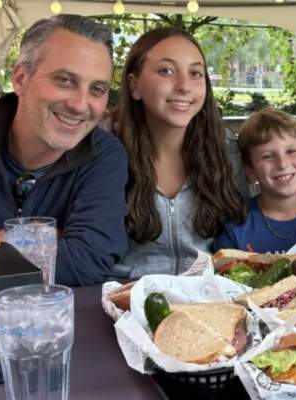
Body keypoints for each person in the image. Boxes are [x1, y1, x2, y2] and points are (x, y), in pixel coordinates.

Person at [0, 14, 128, 286]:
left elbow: (91, 259)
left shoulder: (105, 154)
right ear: (21, 79)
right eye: (65, 80)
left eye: (97, 89)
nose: (80, 105)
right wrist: (49, 238)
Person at [110, 27, 248, 278]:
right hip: (121, 299)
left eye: (195, 73)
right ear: (134, 86)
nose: (184, 86)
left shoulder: (225, 150)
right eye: (167, 71)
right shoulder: (105, 152)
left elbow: (241, 233)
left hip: (208, 300)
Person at [214, 108, 296, 260]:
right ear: (250, 170)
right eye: (267, 156)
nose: (282, 164)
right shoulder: (234, 229)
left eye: (291, 151)